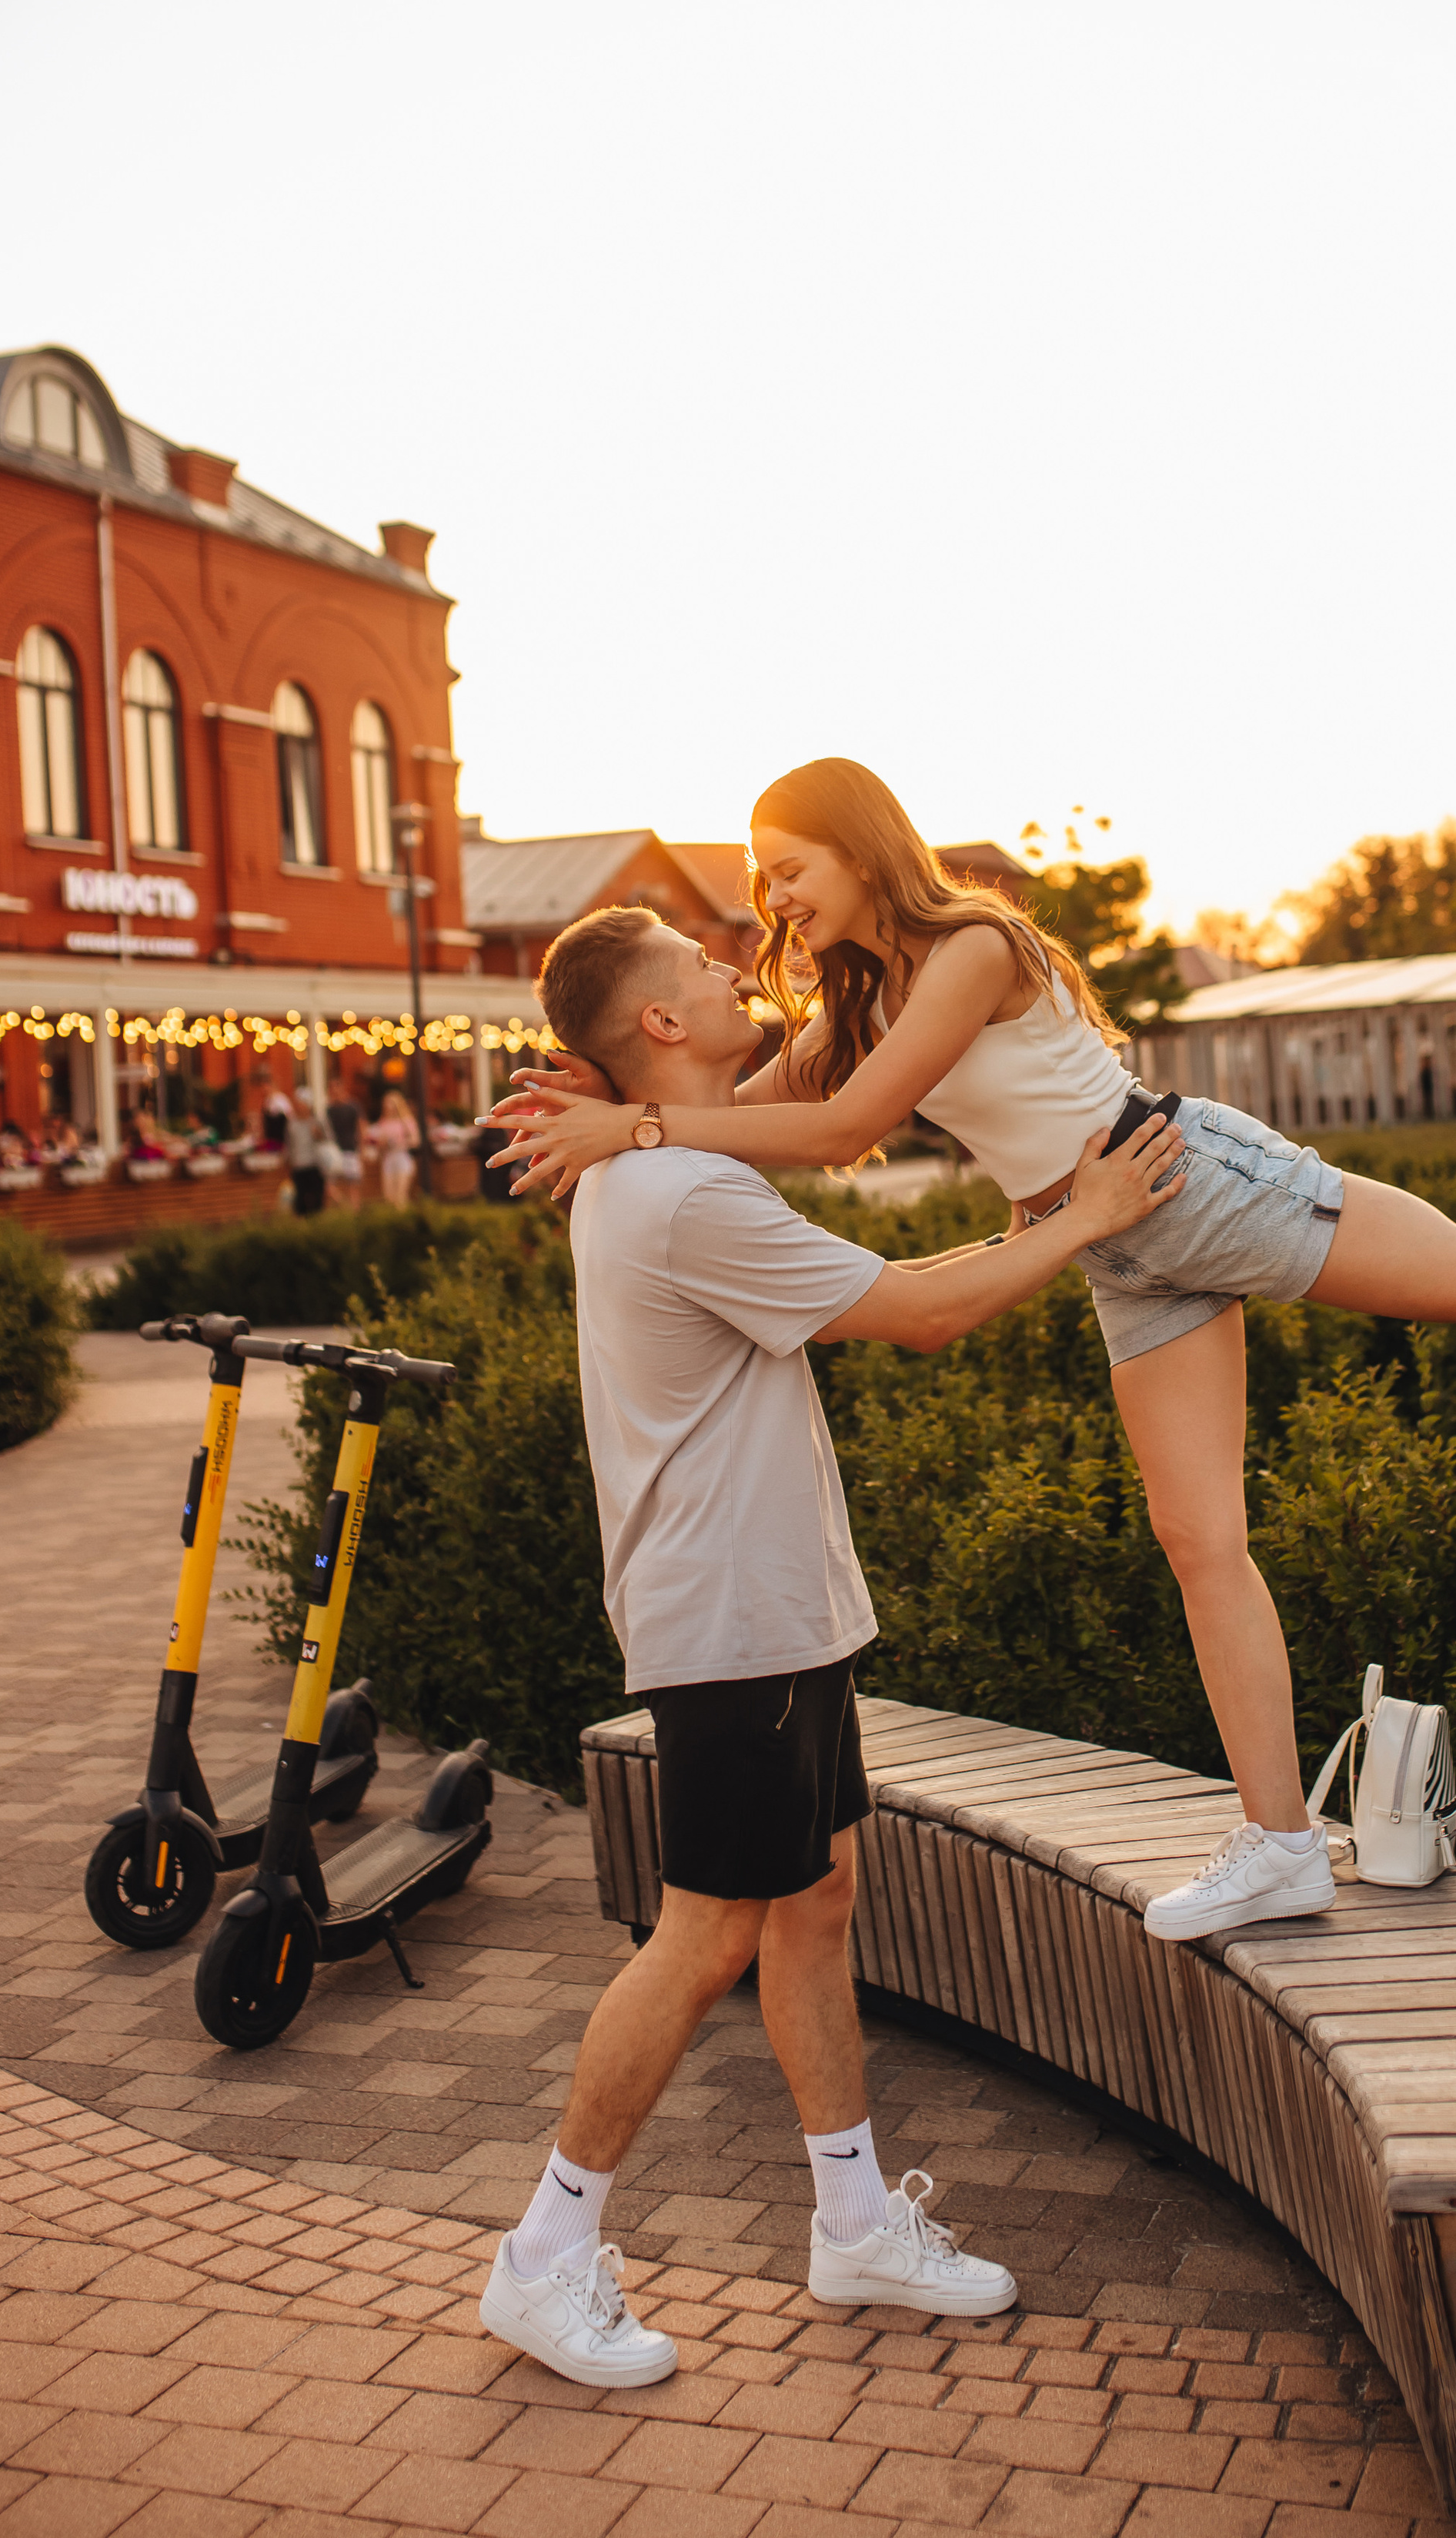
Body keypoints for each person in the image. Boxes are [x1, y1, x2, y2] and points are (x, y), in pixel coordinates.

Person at [490, 758, 1456, 1948]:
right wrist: (612, 1096)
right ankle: (1282, 1845)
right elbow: (750, 1102)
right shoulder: (858, 1000)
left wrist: (638, 1137)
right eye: (762, 883)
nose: (773, 902)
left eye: (788, 871)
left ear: (858, 846)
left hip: (1186, 1179)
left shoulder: (967, 942)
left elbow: (847, 1127)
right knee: (1198, 1537)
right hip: (1113, 1238)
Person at [476, 902, 1184, 2389]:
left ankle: (853, 2222)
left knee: (813, 1904)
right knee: (710, 1930)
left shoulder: (671, 1160)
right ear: (661, 1028)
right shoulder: (679, 1192)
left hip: (768, 1616)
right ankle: (545, 2256)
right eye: (700, 967)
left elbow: (836, 1087)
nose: (736, 968)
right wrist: (1086, 1221)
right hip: (732, 1624)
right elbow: (920, 1314)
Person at [370, 1085, 419, 1205]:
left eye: (390, 1103)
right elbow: (379, 1143)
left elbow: (415, 1141)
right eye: (386, 1103)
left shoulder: (406, 1120)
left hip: (402, 1158)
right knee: (389, 1197)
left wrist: (400, 1142)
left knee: (401, 1196)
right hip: (388, 1159)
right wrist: (382, 1143)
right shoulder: (383, 1122)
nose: (388, 1106)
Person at [325, 1083, 365, 1209]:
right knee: (329, 1187)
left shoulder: (353, 1107)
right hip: (333, 1151)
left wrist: (362, 1150)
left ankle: (354, 1211)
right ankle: (346, 1206)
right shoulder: (329, 1110)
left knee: (353, 1185)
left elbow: (361, 1128)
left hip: (350, 1149)